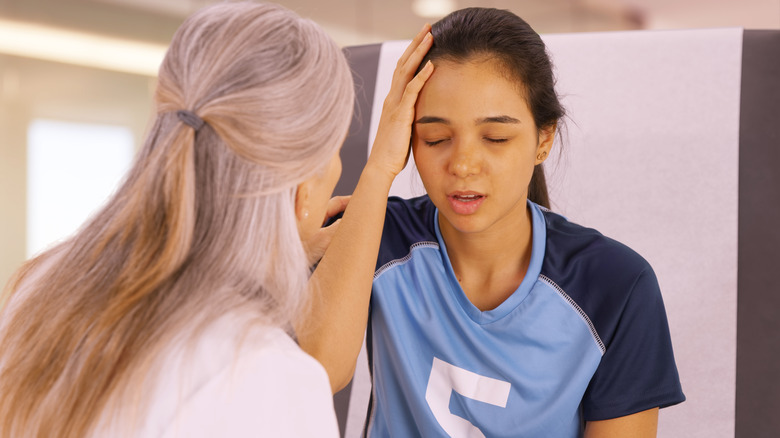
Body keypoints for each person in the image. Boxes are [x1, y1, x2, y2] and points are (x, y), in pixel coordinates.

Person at [299, 7, 685, 437]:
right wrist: (378, 170)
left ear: (544, 139)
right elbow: (316, 371)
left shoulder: (616, 285)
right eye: (435, 138)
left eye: (495, 138)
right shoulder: (375, 236)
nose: (462, 164)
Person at [0, 2, 354, 437]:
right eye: (335, 148)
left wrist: (279, 251)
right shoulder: (272, 377)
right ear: (304, 186)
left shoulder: (41, 289)